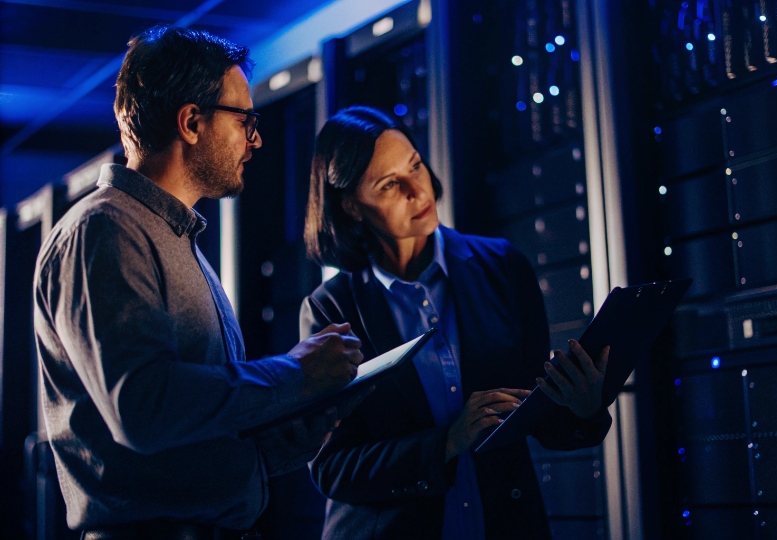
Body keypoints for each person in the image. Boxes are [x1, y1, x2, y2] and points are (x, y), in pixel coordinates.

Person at [33, 26, 366, 539]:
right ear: (191, 122)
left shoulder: (178, 240)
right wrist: (296, 374)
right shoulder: (104, 230)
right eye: (244, 121)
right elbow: (143, 409)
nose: (256, 139)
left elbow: (195, 436)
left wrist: (303, 421)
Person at [300, 106, 613, 539]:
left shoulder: (503, 266)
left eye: (415, 166)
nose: (418, 190)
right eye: (390, 184)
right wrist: (447, 442)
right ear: (352, 206)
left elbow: (539, 419)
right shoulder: (331, 310)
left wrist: (583, 408)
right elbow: (332, 469)